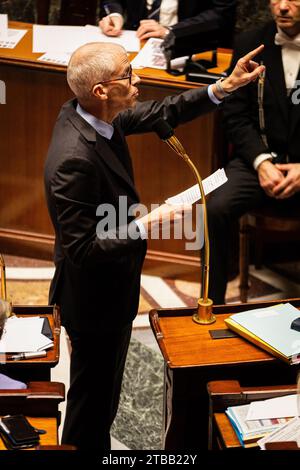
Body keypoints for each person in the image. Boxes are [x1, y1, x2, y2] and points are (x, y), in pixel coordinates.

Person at [44, 40, 264, 450]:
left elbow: (165, 111)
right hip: (93, 301)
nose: (138, 78)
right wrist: (146, 224)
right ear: (101, 91)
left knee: (101, 401)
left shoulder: (90, 116)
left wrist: (225, 86)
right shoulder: (73, 158)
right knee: (90, 407)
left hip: (113, 289)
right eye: (128, 74)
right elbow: (83, 250)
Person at [207, 0, 300, 305]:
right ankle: (213, 306)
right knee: (215, 208)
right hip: (257, 160)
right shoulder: (250, 43)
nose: (283, 7)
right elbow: (235, 114)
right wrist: (261, 162)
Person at [99, 0, 236, 47]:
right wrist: (114, 14)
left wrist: (170, 31)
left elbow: (222, 13)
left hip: (189, 43)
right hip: (134, 41)